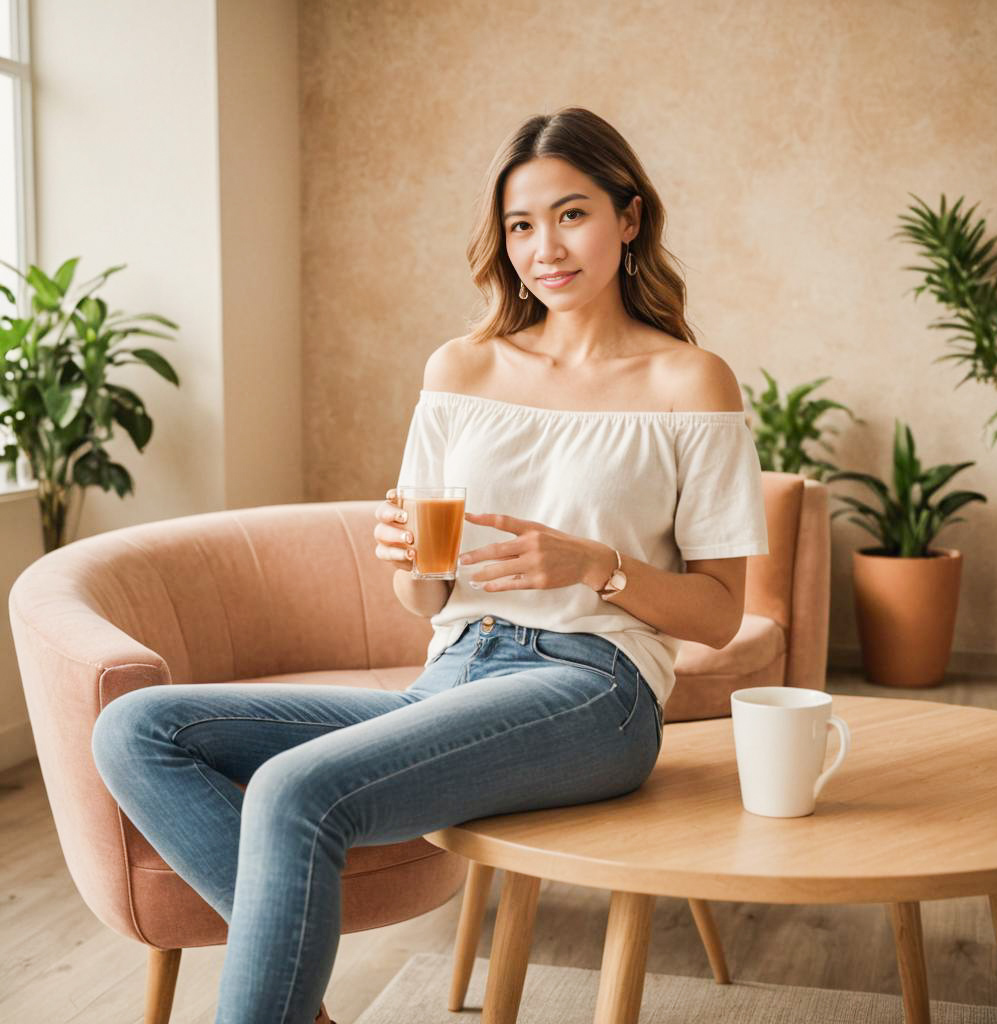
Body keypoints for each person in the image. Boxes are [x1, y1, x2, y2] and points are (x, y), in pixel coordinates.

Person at [90, 106, 769, 1024]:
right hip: (453, 671)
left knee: (295, 790)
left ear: (630, 217)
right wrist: (408, 561)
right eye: (521, 225)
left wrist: (597, 567)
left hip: (593, 690)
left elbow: (722, 614)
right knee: (137, 730)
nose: (545, 247)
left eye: (572, 215)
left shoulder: (691, 381)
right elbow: (425, 596)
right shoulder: (461, 370)